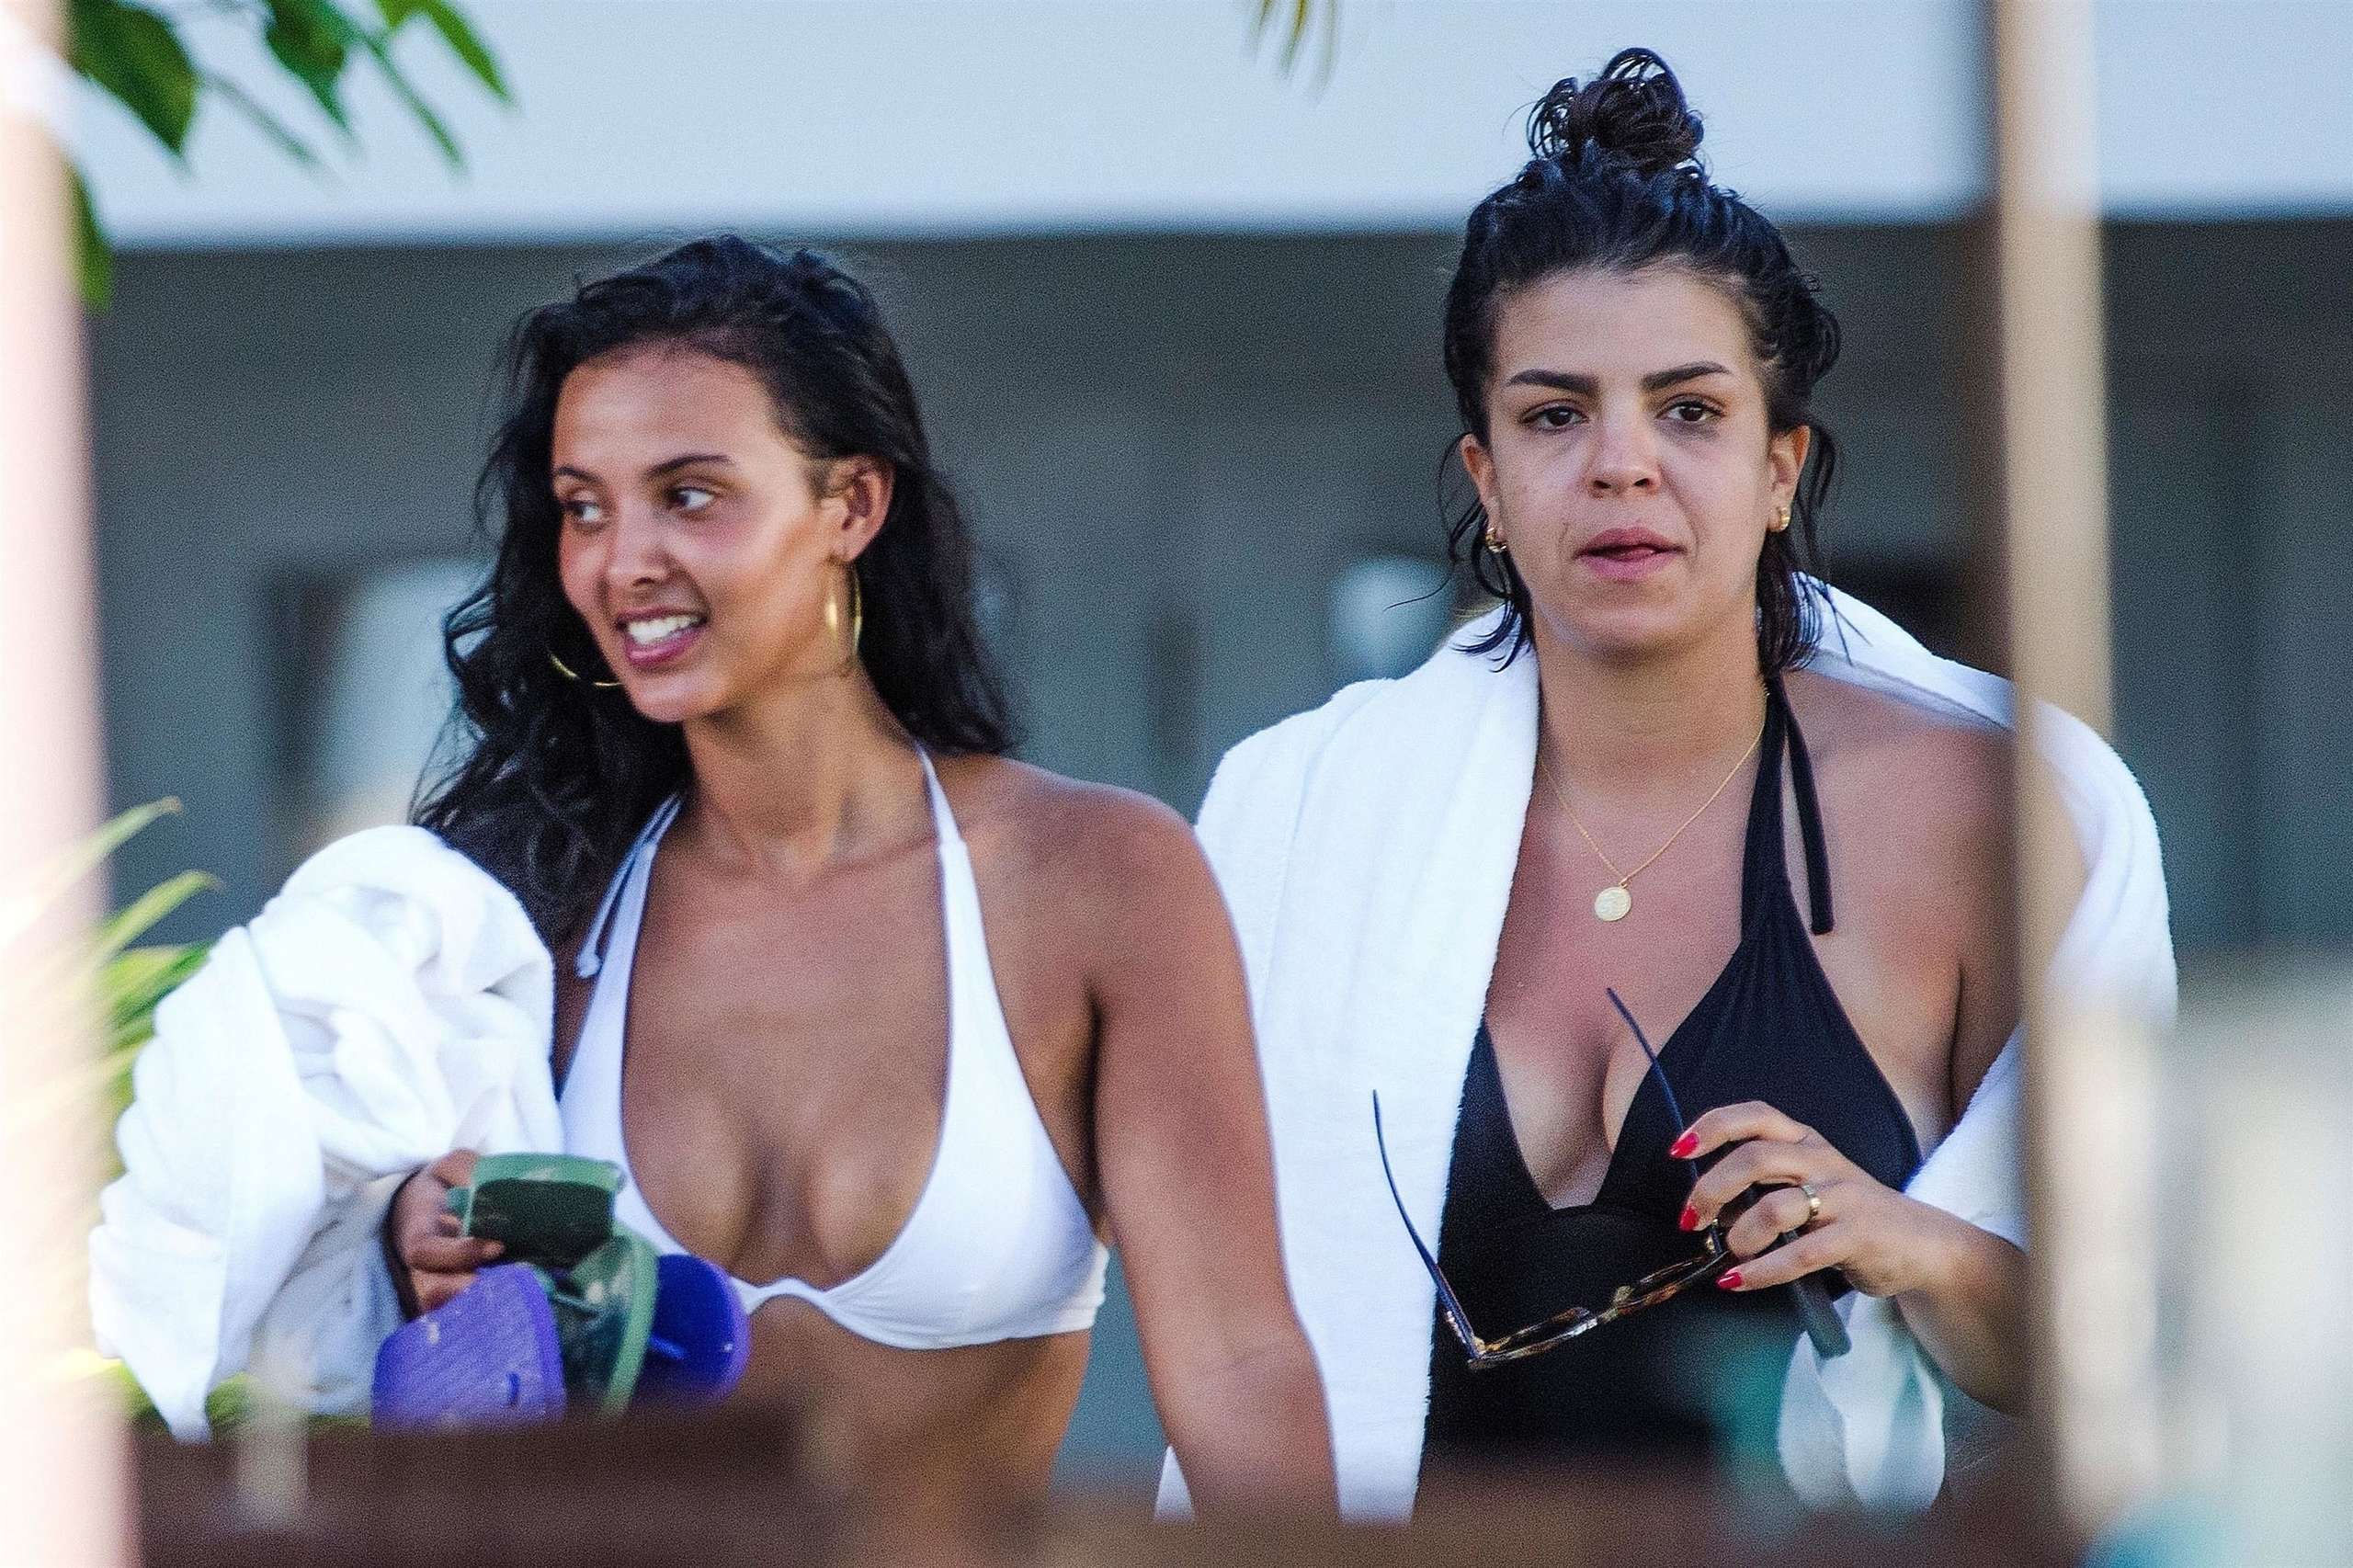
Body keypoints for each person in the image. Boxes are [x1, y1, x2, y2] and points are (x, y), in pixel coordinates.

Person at [1158, 51, 2173, 1517]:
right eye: (1554, 415)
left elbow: (2125, 1335)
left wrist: (1917, 1242)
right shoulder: (1308, 814)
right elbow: (1206, 1313)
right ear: (1486, 480)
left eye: (1690, 410)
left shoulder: (1990, 813)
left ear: (1780, 468)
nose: (1622, 465)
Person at [394, 236, 1332, 1509]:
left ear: (851, 505)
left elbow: (1242, 1367)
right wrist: (416, 1237)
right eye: (585, 507)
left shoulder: (1097, 880)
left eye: (690, 495)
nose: (622, 562)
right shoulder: (535, 914)